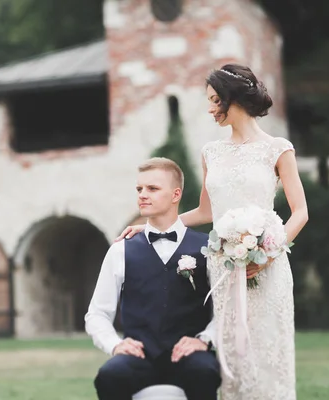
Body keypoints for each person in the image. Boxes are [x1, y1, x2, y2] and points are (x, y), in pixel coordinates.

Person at [117, 64, 309, 400]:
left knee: (268, 351)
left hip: (268, 268)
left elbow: (300, 213)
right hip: (223, 268)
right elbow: (207, 212)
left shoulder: (278, 148)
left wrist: (268, 253)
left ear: (232, 98)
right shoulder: (211, 152)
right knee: (233, 355)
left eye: (213, 100)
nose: (209, 108)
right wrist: (151, 225)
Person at [85, 157, 221, 400]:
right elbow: (97, 314)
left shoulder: (207, 247)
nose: (142, 195)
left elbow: (225, 308)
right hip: (140, 357)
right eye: (139, 189)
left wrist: (204, 340)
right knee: (109, 376)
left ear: (175, 194)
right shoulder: (121, 249)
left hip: (190, 356)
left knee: (205, 372)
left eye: (153, 189)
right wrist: (114, 345)